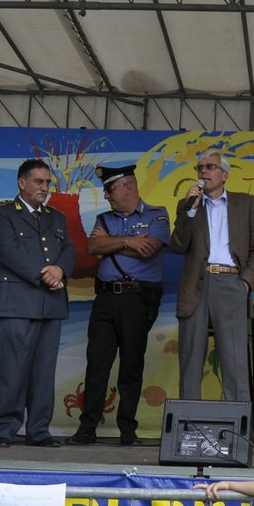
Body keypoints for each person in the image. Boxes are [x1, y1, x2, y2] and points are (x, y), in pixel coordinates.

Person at [73, 165, 170, 446]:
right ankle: (87, 428)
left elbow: (150, 247)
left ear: (128, 187)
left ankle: (127, 430)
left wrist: (110, 242)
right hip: (105, 298)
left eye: (110, 190)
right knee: (97, 363)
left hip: (138, 299)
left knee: (131, 365)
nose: (106, 196)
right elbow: (92, 248)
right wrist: (129, 241)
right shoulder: (104, 218)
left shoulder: (157, 215)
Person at [0, 159, 76, 447]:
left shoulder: (56, 217)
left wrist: (60, 269)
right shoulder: (2, 214)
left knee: (43, 372)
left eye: (47, 182)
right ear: (21, 182)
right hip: (15, 303)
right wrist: (47, 276)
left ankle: (39, 430)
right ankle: (4, 429)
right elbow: (8, 252)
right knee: (11, 372)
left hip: (49, 306)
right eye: (38, 182)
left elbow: (69, 249)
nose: (44, 188)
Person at [171, 152, 254, 403]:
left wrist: (245, 283)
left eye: (210, 167)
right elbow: (178, 245)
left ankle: (239, 431)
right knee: (191, 361)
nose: (204, 171)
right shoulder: (188, 206)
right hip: (196, 284)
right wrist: (189, 211)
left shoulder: (245, 203)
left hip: (231, 282)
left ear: (225, 174)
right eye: (200, 167)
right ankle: (188, 430)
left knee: (235, 361)